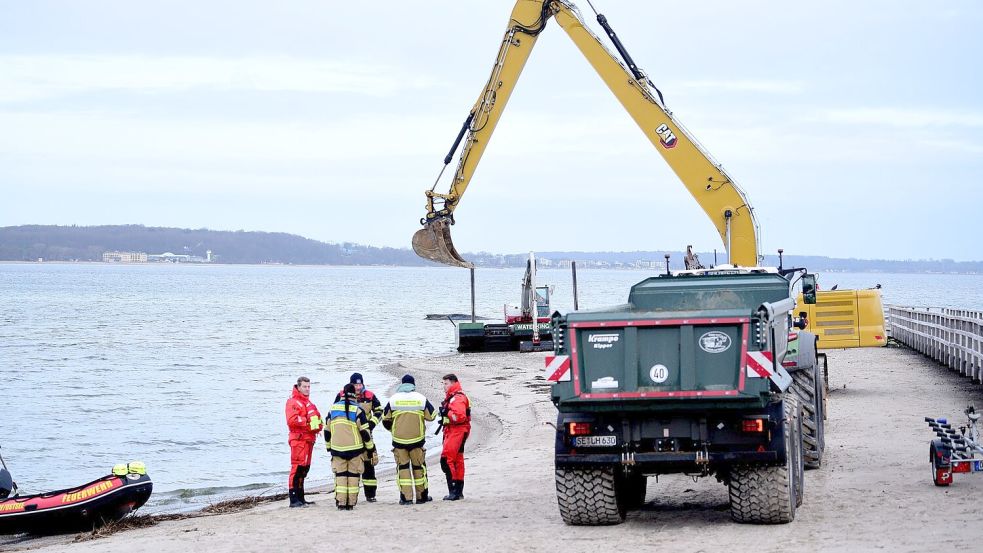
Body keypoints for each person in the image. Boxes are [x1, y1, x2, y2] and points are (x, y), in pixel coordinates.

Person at [381, 374, 437, 505]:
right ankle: (422, 497)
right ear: (413, 385)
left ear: (402, 384)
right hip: (417, 440)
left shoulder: (393, 399)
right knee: (419, 468)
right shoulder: (421, 399)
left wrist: (393, 430)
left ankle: (406, 499)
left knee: (403, 469)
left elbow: (384, 419)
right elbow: (432, 416)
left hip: (399, 440)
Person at [325, 383, 376, 510]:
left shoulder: (333, 409)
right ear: (354, 394)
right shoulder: (358, 410)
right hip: (355, 449)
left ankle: (341, 503)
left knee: (341, 476)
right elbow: (365, 433)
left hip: (337, 449)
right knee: (353, 476)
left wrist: (329, 447)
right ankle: (351, 504)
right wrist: (370, 449)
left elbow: (327, 431)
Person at [334, 372, 383, 502]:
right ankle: (348, 495)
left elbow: (379, 411)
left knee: (369, 464)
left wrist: (372, 423)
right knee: (350, 466)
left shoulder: (370, 396)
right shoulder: (341, 395)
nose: (357, 387)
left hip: (366, 433)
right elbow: (334, 413)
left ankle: (370, 495)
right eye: (355, 384)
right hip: (349, 435)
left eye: (360, 384)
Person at [284, 376, 322, 508]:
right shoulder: (293, 402)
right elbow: (292, 420)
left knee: (304, 469)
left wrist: (318, 425)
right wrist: (308, 422)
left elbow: (317, 420)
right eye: (305, 387)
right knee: (297, 468)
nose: (307, 389)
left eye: (309, 387)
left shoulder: (309, 403)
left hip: (309, 440)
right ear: (298, 387)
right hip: (298, 440)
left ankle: (301, 498)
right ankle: (294, 499)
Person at [438, 373, 471, 501]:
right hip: (455, 430)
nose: (444, 387)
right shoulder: (454, 397)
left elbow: (459, 416)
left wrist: (446, 412)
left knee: (447, 460)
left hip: (457, 431)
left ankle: (454, 492)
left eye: (446, 384)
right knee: (457, 461)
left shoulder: (457, 398)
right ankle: (458, 492)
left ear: (453, 383)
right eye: (443, 384)